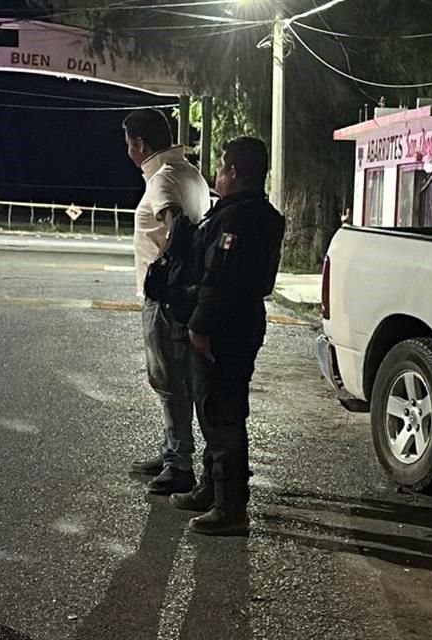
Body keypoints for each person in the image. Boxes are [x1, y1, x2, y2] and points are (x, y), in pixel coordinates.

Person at [168, 137, 285, 536]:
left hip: (225, 328)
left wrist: (201, 326)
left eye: (220, 167)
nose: (216, 175)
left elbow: (222, 280)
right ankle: (211, 488)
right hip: (238, 321)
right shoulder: (252, 213)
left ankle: (229, 507)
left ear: (234, 171)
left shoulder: (240, 219)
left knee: (223, 414)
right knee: (213, 408)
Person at [123, 108, 211, 495]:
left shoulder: (162, 180)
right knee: (181, 377)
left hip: (165, 297)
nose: (128, 151)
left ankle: (179, 463)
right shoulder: (191, 172)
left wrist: (166, 277)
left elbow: (178, 231)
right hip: (190, 294)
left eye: (128, 144)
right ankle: (173, 450)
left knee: (168, 379)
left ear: (140, 144)